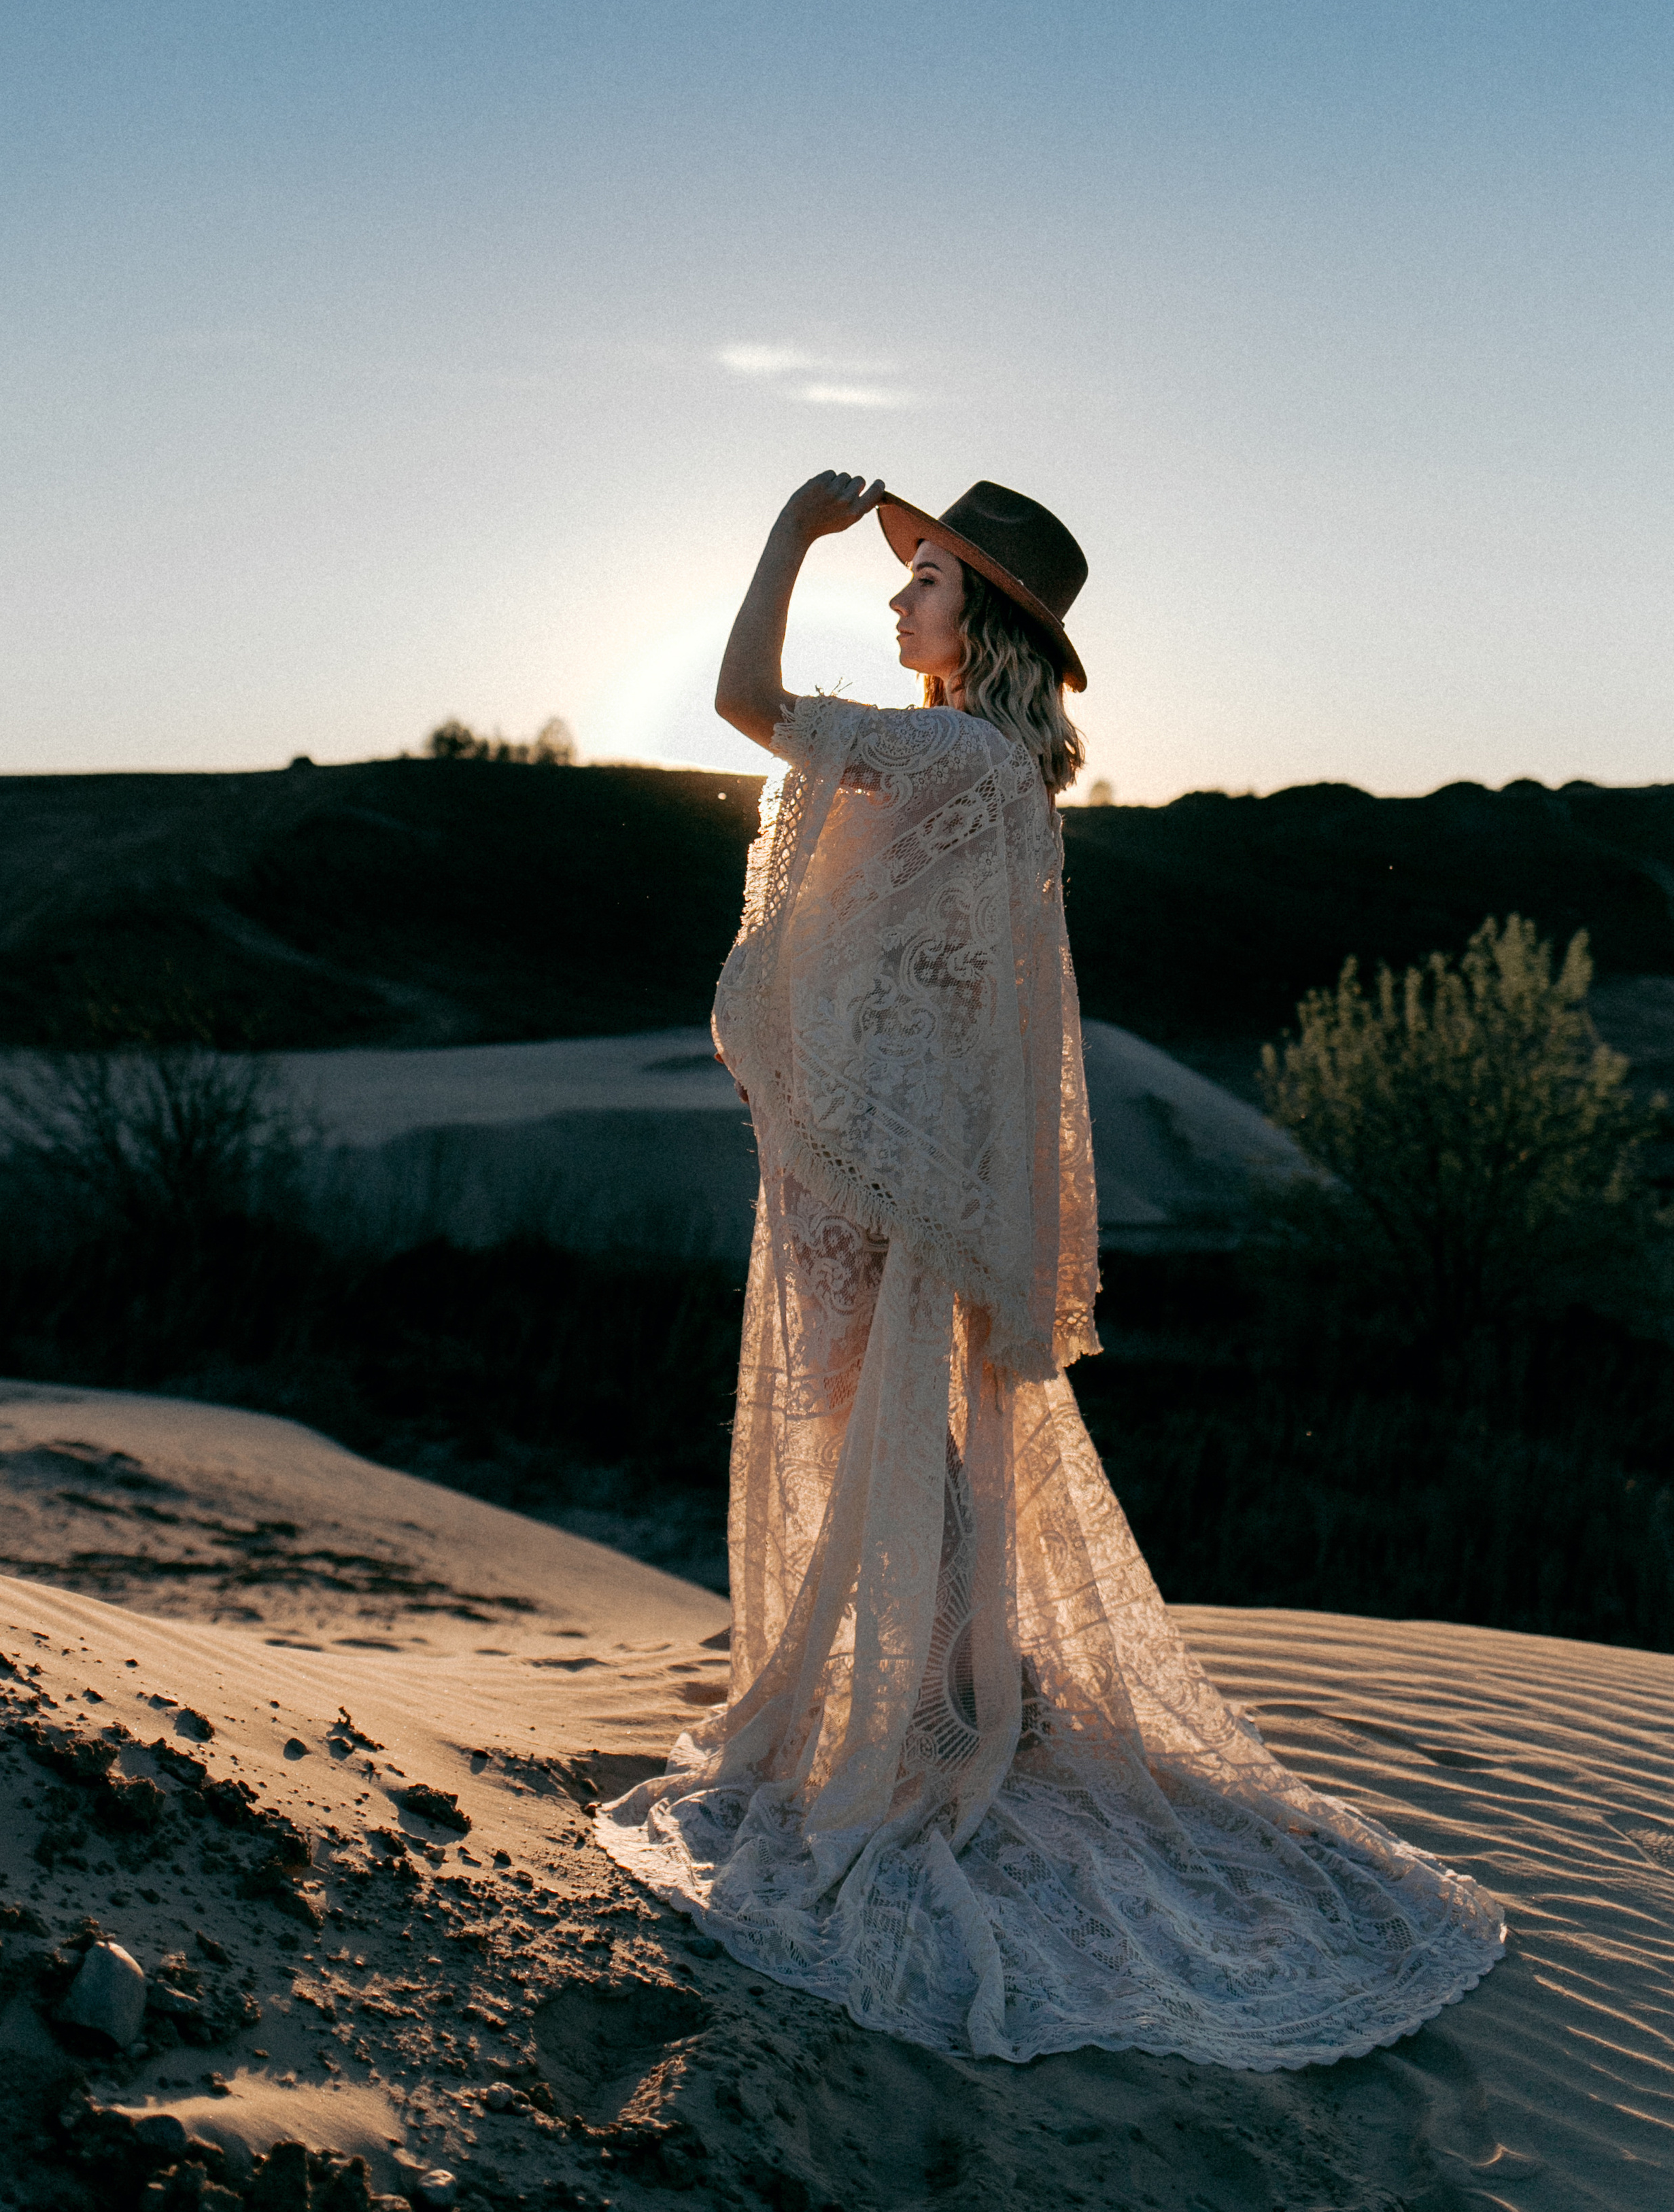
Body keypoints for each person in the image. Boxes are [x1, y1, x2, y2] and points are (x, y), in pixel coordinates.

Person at [594, 472, 1506, 2067]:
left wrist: (781, 540)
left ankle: (938, 1714)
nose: (897, 603)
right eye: (901, 576)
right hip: (884, 1155)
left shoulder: (951, 752)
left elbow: (740, 699)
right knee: (880, 1426)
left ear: (985, 621)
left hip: (868, 1165)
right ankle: (949, 1694)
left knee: (860, 1421)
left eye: (926, 580)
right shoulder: (994, 766)